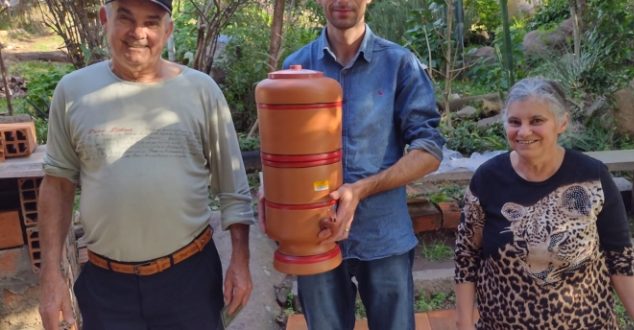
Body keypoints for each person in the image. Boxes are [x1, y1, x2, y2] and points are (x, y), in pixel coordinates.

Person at [37, 0, 255, 329]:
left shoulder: (201, 91)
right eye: (125, 19)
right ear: (104, 19)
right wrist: (50, 275)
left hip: (190, 281)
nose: (138, 33)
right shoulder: (73, 92)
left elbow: (233, 187)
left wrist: (241, 259)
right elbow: (57, 185)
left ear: (167, 30)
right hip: (106, 287)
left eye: (151, 23)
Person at [276, 0, 444, 329]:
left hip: (383, 236)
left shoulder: (399, 63)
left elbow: (430, 149)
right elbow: (281, 154)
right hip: (315, 237)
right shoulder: (296, 66)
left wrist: (362, 189)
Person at [454, 77, 634, 330]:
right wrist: (463, 323)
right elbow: (466, 257)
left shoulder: (592, 177)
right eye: (515, 122)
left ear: (562, 123)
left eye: (537, 121)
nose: (524, 131)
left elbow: (621, 259)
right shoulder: (487, 179)